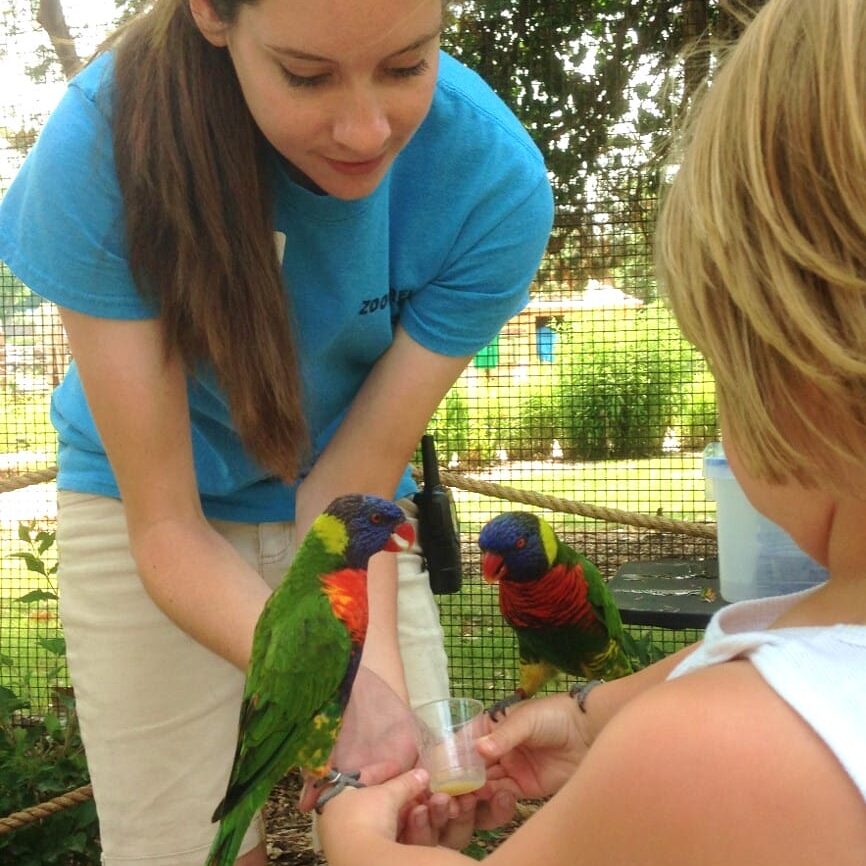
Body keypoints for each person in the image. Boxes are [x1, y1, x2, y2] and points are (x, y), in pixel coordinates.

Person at [0, 0, 553, 862]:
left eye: (408, 65)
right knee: (185, 847)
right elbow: (167, 530)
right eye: (306, 75)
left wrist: (366, 698)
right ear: (214, 16)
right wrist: (347, 691)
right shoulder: (98, 151)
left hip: (350, 514)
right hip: (155, 506)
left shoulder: (492, 184)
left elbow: (353, 483)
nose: (368, 130)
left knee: (405, 804)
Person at [315, 1, 866, 863]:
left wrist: (355, 841)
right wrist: (586, 717)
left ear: (798, 366)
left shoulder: (721, 751)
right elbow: (789, 635)